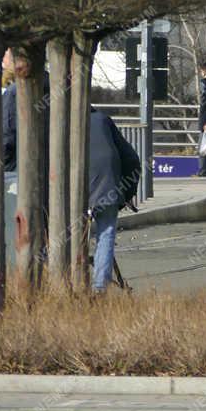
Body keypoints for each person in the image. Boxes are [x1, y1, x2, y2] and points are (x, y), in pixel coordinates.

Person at [88, 110, 141, 293]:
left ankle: (68, 282)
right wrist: (127, 194)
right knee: (106, 232)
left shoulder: (54, 117)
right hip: (107, 182)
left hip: (73, 183)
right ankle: (100, 288)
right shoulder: (102, 119)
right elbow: (132, 158)